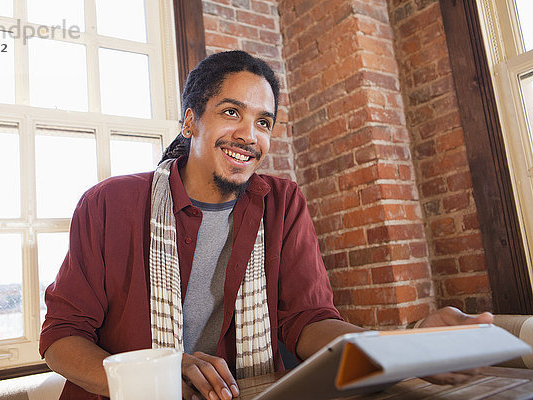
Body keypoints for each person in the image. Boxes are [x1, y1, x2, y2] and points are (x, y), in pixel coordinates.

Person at [39, 50, 493, 400]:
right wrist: (154, 376)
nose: (249, 135)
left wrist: (407, 348)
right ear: (190, 121)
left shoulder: (282, 202)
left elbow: (308, 320)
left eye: (263, 122)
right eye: (231, 112)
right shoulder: (110, 203)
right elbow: (62, 338)